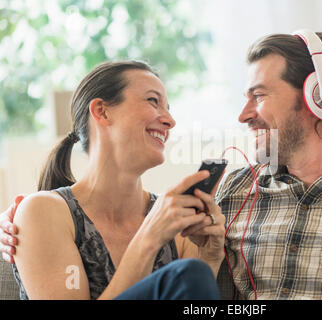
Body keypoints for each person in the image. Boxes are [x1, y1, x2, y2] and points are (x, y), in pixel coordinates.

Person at [3, 31, 322, 300]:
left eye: (258, 95)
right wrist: (20, 225)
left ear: (321, 97)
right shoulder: (230, 195)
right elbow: (185, 283)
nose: (243, 115)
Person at [0, 60, 225, 300]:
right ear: (102, 111)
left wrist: (210, 258)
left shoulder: (178, 227)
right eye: (153, 101)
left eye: (168, 107)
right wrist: (149, 238)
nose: (170, 120)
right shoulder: (42, 211)